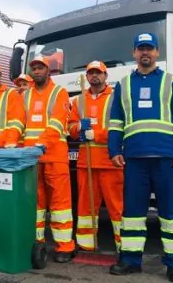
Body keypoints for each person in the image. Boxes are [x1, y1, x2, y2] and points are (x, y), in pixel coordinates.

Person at [108, 33, 173, 283]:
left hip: (168, 159)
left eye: (150, 48)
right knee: (132, 213)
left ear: (157, 52)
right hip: (134, 159)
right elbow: (115, 122)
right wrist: (114, 151)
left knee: (172, 213)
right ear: (134, 53)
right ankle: (130, 260)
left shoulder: (171, 82)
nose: (145, 52)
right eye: (140, 48)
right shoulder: (123, 85)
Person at [22, 56, 75, 268]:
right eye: (33, 68)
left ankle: (65, 247)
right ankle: (38, 241)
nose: (36, 71)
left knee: (60, 204)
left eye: (40, 68)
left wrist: (40, 143)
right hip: (32, 157)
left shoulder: (59, 92)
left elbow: (56, 123)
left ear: (48, 70)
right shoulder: (24, 96)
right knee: (35, 203)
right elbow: (18, 123)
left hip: (54, 156)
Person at [68, 61, 122, 252]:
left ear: (105, 76)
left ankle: (123, 247)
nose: (94, 76)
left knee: (117, 207)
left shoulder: (117, 97)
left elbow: (121, 127)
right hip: (86, 162)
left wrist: (96, 134)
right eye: (90, 73)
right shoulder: (79, 100)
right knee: (85, 207)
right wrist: (79, 128)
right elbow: (70, 128)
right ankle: (86, 245)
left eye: (98, 72)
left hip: (110, 162)